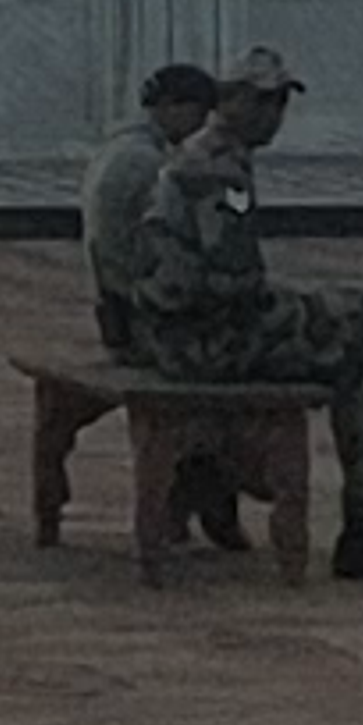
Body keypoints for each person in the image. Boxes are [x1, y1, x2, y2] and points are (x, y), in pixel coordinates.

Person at [125, 51, 363, 587]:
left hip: (180, 331)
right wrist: (294, 305)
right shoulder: (218, 169)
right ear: (230, 101)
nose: (274, 115)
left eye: (281, 102)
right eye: (263, 101)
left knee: (358, 321)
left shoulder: (204, 155)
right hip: (206, 340)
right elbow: (234, 279)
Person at [81, 63, 245, 549]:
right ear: (174, 108)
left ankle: (199, 489)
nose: (203, 127)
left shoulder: (118, 149)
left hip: (117, 312)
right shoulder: (151, 164)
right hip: (140, 325)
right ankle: (205, 492)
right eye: (200, 113)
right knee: (233, 360)